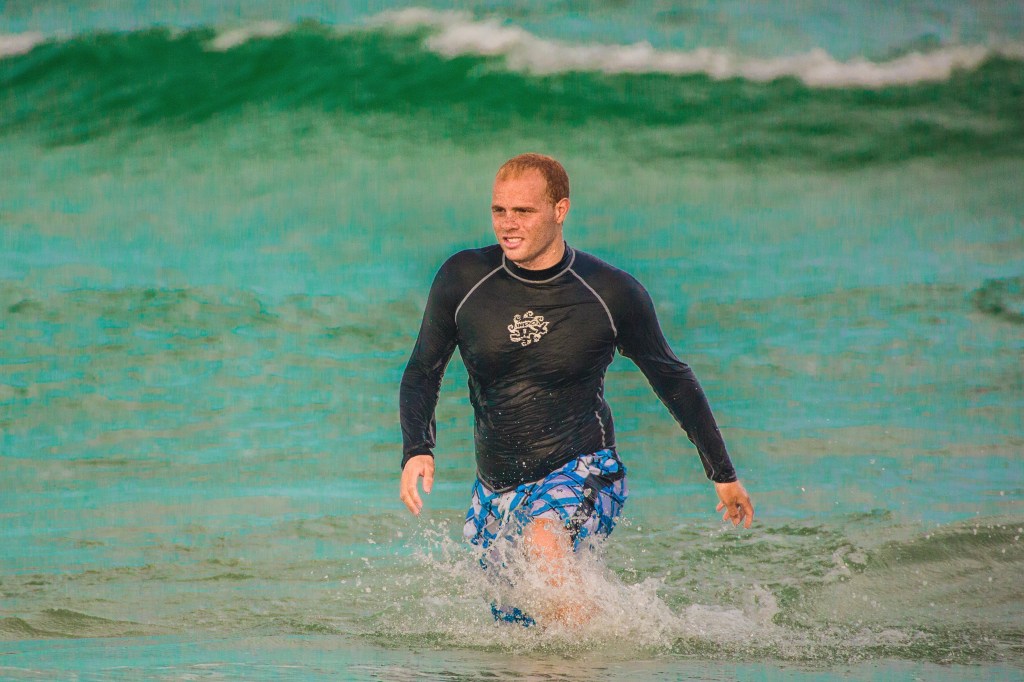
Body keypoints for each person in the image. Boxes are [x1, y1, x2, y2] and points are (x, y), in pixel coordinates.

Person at [399, 153, 753, 625]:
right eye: (499, 210)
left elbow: (672, 378)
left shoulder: (609, 293)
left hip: (584, 468)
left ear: (559, 210)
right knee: (523, 634)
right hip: (494, 490)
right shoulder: (464, 279)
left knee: (543, 545)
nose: (508, 224)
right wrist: (417, 448)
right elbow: (424, 368)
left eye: (523, 211)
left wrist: (722, 472)